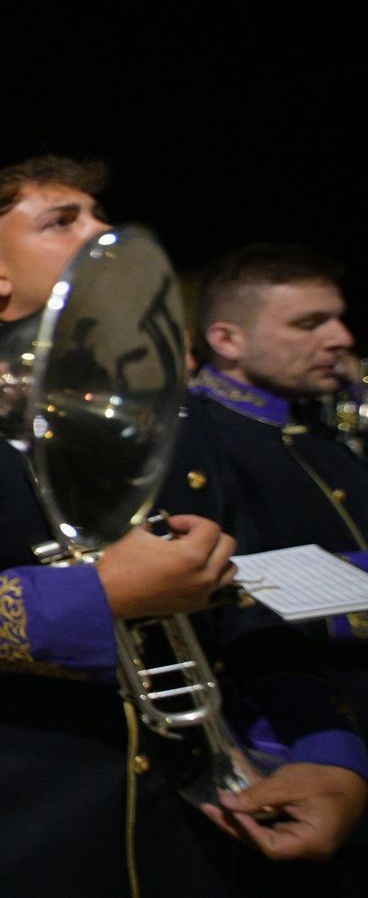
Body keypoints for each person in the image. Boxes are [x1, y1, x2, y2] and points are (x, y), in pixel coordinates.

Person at [0, 155, 367, 897]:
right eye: (62, 220)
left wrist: (331, 751)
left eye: (99, 215)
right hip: (14, 834)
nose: (102, 230)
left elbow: (246, 602)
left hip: (194, 827)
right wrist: (100, 594)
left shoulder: (180, 415)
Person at [186, 242, 368, 895]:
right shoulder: (193, 440)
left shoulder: (317, 435)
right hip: (296, 754)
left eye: (339, 318)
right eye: (308, 322)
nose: (341, 338)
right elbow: (216, 605)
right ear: (226, 338)